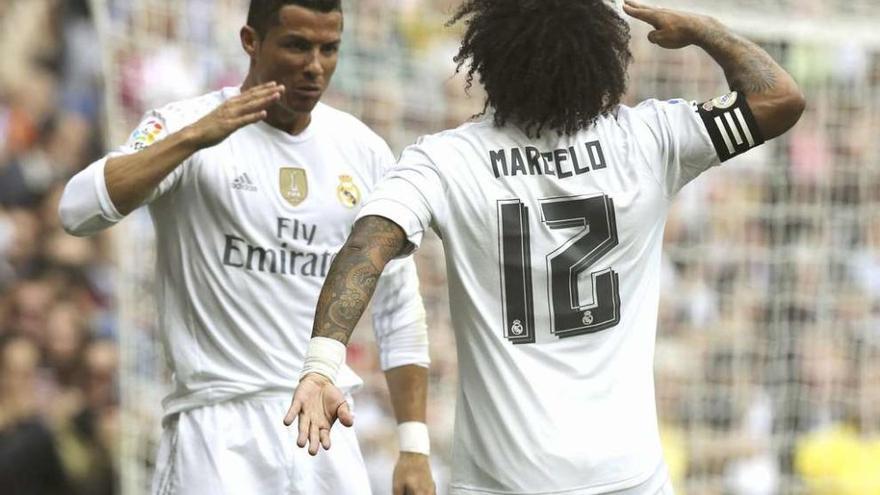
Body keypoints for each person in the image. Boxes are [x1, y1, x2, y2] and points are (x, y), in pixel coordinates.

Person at [288, 0, 805, 494]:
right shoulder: (649, 140)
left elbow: (368, 245)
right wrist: (705, 30)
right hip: (627, 476)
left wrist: (321, 363)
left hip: (503, 480)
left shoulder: (446, 161)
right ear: (601, 54)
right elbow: (780, 99)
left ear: (490, 56)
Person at [58, 1, 435, 493]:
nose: (314, 65)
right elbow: (76, 211)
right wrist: (193, 138)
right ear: (250, 41)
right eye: (297, 45)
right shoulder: (185, 123)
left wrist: (414, 447)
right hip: (217, 429)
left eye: (329, 48)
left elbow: (399, 307)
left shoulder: (362, 150)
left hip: (325, 426)